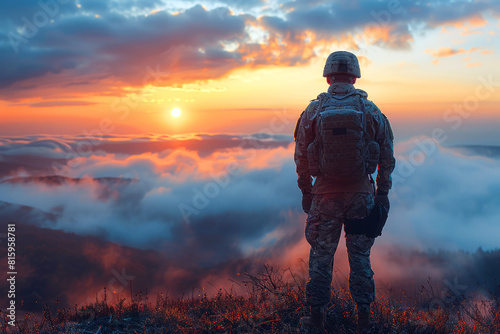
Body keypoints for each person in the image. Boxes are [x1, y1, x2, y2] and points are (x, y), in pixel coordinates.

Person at [294, 51, 395, 333]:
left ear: (327, 77)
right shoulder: (370, 110)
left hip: (324, 197)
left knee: (321, 258)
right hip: (361, 196)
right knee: (360, 259)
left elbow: (301, 156)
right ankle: (364, 320)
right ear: (354, 76)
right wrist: (382, 194)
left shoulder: (313, 111)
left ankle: (316, 320)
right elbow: (387, 157)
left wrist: (306, 192)